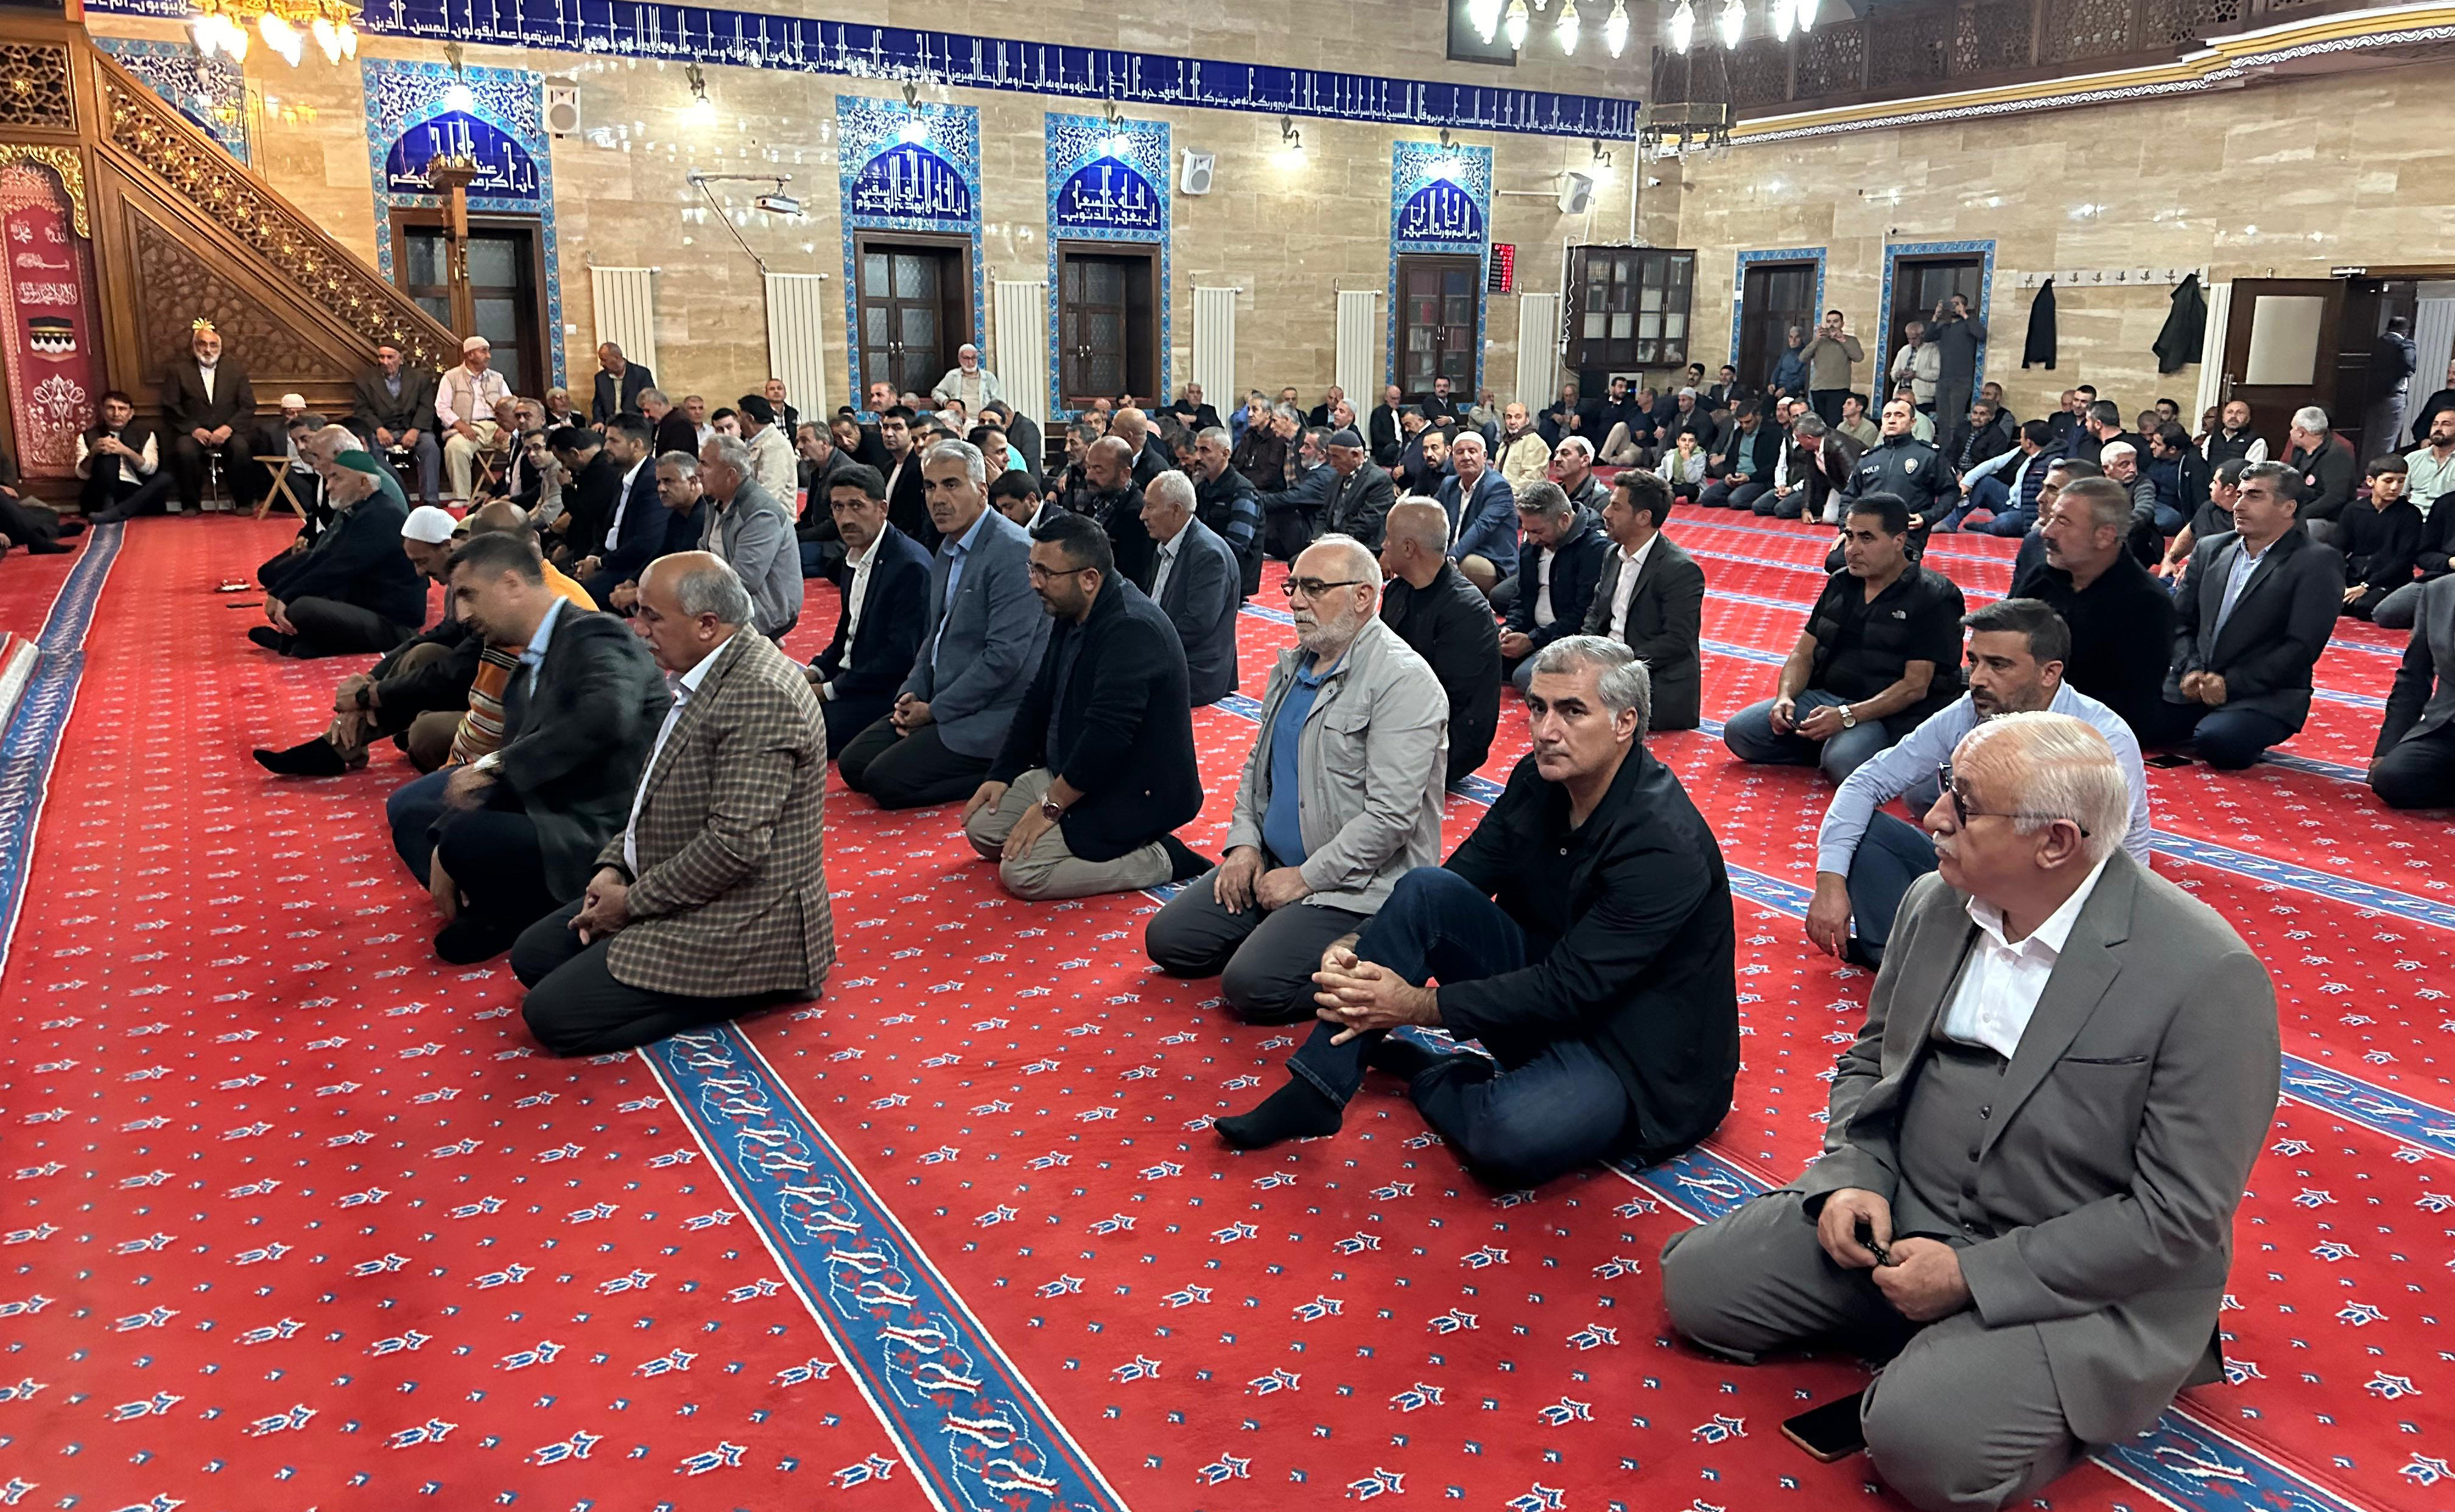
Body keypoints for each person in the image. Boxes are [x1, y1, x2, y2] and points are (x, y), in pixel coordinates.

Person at [1665, 710, 2278, 1512]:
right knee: (1702, 1287)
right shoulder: (1936, 901)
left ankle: (1991, 1362)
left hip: (2077, 1276)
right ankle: (1937, 1334)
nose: (1932, 817)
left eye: (1966, 805)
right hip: (1908, 1210)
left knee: (1921, 1442)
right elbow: (1871, 1061)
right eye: (1945, 789)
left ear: (2055, 842)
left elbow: (2179, 1217)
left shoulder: (2206, 973)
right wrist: (1854, 1176)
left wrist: (1971, 1278)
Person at [1217, 634, 1738, 1182]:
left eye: (1571, 711)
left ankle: (1437, 1072)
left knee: (1506, 1134)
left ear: (1624, 722)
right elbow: (1459, 881)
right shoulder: (1538, 780)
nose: (1546, 730)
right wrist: (1356, 944)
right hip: (1544, 991)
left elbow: (1571, 987)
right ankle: (1317, 1088)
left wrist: (1415, 1007)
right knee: (1426, 889)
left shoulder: (1661, 845)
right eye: (1538, 707)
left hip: (1633, 1054)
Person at [510, 553, 831, 1055]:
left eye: (652, 616)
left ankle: (757, 986)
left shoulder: (760, 695)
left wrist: (631, 903)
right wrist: (614, 866)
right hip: (678, 880)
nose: (639, 630)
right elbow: (653, 792)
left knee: (552, 1017)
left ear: (707, 625)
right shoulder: (706, 669)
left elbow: (734, 847)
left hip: (744, 918)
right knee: (534, 956)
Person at [1145, 536, 1447, 1023]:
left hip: (1355, 885)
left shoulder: (1403, 681)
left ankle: (1381, 945)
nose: (1296, 601)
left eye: (1314, 588)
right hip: (1275, 860)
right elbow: (1257, 769)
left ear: (1363, 596)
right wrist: (1244, 845)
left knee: (1251, 987)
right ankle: (1285, 932)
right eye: (1293, 587)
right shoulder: (1294, 665)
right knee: (1170, 942)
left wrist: (1305, 879)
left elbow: (1390, 820)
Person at [1806, 598, 2152, 970]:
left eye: (1998, 665)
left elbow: (2090, 860)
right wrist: (1830, 881)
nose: (1977, 679)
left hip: (2064, 891)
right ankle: (1900, 957)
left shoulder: (2102, 739)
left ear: (2049, 673)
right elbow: (1866, 782)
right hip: (1990, 868)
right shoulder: (1971, 710)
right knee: (1866, 830)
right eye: (1974, 662)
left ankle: (1961, 962)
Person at [385, 531, 669, 962]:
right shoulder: (526, 665)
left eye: (468, 595)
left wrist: (489, 771)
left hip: (604, 822)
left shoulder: (596, 633)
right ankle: (505, 908)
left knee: (463, 836)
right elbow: (525, 765)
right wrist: (448, 828)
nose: (462, 614)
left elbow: (605, 719)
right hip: (556, 802)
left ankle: (529, 909)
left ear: (512, 584)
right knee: (416, 817)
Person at [949, 511, 1207, 901]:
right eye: (1032, 568)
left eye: (1045, 573)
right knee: (983, 831)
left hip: (1133, 790)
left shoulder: (1131, 628)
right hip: (1077, 769)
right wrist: (1001, 773)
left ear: (1089, 578)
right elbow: (1038, 697)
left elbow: (1108, 737)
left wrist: (1050, 808)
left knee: (1022, 873)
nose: (1034, 582)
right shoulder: (1073, 610)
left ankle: (1163, 858)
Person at [837, 440, 1049, 808]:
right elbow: (934, 636)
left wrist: (934, 712)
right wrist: (913, 692)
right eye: (930, 487)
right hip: (944, 696)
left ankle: (1013, 771)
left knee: (884, 782)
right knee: (853, 765)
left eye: (951, 485)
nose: (937, 498)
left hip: (994, 711)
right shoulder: (948, 547)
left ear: (981, 491)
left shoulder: (1013, 551)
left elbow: (1004, 660)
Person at [1726, 493, 1965, 783]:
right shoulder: (1841, 583)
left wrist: (1847, 716)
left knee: (1843, 762)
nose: (1852, 549)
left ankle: (1845, 747)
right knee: (1741, 734)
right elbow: (1803, 653)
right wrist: (1785, 698)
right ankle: (1828, 743)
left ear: (1899, 540)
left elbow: (1914, 687)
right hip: (1827, 697)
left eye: (1867, 538)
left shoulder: (1934, 596)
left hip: (1887, 712)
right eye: (1850, 536)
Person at [2154, 460, 2345, 768]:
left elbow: (2301, 647)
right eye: (2240, 495)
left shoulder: (2316, 562)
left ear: (2288, 507)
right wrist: (2191, 669)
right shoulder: (2210, 549)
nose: (2238, 505)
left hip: (2265, 694)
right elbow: (2181, 622)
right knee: (2131, 719)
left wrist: (2231, 685)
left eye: (2254, 496)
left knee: (2219, 743)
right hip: (2196, 685)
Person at [2002, 477, 2179, 741]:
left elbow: (2129, 705)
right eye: (2051, 519)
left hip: (2086, 731)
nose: (2047, 532)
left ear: (2104, 536)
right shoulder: (2042, 578)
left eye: (2063, 522)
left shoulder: (2146, 603)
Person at [806, 463, 932, 757]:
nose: (846, 518)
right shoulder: (852, 558)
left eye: (856, 506)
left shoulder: (909, 566)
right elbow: (846, 632)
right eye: (838, 507)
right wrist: (815, 671)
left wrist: (829, 690)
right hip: (852, 679)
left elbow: (900, 657)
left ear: (882, 509)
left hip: (884, 692)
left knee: (796, 726)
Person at [251, 451, 426, 658]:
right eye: (329, 478)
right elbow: (323, 557)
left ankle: (296, 643)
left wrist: (287, 596)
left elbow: (338, 568)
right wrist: (280, 592)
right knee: (297, 585)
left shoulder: (381, 516)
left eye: (337, 478)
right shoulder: (361, 510)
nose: (329, 486)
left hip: (394, 625)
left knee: (301, 607)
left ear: (363, 483)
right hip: (365, 604)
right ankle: (304, 644)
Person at [1377, 499, 1501, 785]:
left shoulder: (1465, 609)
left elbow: (1448, 700)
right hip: (1404, 712)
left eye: (1389, 538)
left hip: (1448, 738)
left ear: (1409, 548)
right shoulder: (1399, 590)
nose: (1383, 545)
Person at [1141, 471, 1240, 706]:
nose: (1143, 515)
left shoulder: (1208, 555)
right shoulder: (1166, 544)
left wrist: (1145, 646)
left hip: (1196, 670)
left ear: (1176, 510)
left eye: (1150, 507)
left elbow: (1197, 625)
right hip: (1169, 653)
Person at [1500, 480, 1610, 691]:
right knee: (1479, 650)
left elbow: (1583, 615)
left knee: (1525, 678)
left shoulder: (1594, 549)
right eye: (1528, 531)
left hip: (1568, 638)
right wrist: (1511, 627)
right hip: (1534, 630)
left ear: (1564, 520)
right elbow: (1522, 596)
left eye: (1538, 532)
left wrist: (1533, 641)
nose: (1532, 540)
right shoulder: (1533, 543)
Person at [694, 435, 799, 640]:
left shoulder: (761, 513)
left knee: (686, 632)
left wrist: (693, 596)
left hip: (764, 607)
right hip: (726, 597)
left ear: (730, 475)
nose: (697, 471)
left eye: (705, 464)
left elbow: (743, 581)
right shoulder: (715, 501)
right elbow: (703, 554)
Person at [572, 417, 678, 608]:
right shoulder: (624, 475)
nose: (606, 447)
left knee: (577, 598)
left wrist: (599, 563)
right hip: (612, 561)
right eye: (607, 440)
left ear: (636, 445)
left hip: (632, 568)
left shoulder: (652, 480)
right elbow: (608, 528)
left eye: (614, 441)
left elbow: (646, 544)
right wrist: (591, 558)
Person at [2372, 569, 2455, 808]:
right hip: (2447, 723)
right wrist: (2386, 748)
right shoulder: (2439, 591)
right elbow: (2414, 678)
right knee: (2393, 779)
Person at [160, 319, 256, 513]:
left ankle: (244, 503)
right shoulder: (178, 371)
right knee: (184, 450)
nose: (208, 350)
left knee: (240, 448)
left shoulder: (235, 370)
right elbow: (170, 406)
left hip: (229, 430)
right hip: (194, 431)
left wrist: (228, 428)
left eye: (213, 345)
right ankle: (191, 505)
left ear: (220, 348)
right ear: (194, 346)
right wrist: (194, 429)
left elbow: (248, 405)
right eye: (203, 344)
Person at [350, 341, 441, 505]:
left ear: (401, 359)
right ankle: (392, 495)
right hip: (381, 429)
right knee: (369, 448)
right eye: (381, 357)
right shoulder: (365, 380)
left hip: (412, 428)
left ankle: (430, 501)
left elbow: (426, 407)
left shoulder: (419, 378)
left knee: (430, 446)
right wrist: (379, 429)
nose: (385, 362)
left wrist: (415, 429)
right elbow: (362, 410)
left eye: (390, 357)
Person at [1937, 419, 2058, 536]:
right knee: (1984, 482)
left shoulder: (2054, 463)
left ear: (2029, 442)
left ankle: (1986, 527)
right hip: (2011, 503)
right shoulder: (2022, 451)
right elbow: (1994, 463)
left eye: (2021, 438)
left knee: (2004, 521)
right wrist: (1967, 482)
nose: (2020, 440)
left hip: (2029, 514)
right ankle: (1949, 523)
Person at [2339, 455, 2422, 620]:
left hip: (2389, 581)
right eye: (2388, 481)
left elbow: (2403, 559)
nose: (2395, 487)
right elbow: (2338, 549)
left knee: (2364, 607)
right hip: (2355, 576)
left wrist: (2367, 586)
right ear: (2371, 481)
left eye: (2401, 481)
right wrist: (2340, 583)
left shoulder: (2410, 514)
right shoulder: (2353, 510)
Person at [1436, 432, 1517, 597]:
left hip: (1491, 561)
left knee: (1467, 564)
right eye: (1460, 452)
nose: (1466, 457)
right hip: (1454, 553)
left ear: (1484, 456)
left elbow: (1482, 527)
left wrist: (1450, 558)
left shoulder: (1498, 486)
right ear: (1453, 457)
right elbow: (1431, 517)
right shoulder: (1449, 485)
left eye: (1472, 451)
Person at [1186, 425, 1264, 594]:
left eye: (1205, 450)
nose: (1198, 457)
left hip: (1232, 577)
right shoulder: (1202, 488)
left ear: (1225, 454)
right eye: (1197, 450)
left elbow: (1236, 547)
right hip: (1207, 565)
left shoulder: (1243, 491)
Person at [76, 390, 170, 524]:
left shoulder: (146, 434)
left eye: (122, 409)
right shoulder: (88, 436)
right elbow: (82, 474)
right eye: (111, 408)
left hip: (133, 491)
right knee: (108, 457)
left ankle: (114, 513)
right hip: (101, 493)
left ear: (131, 413)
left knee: (165, 478)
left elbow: (150, 470)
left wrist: (126, 451)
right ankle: (112, 509)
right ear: (102, 410)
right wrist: (93, 453)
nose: (116, 414)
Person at [2283, 405, 2355, 545]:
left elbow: (2335, 498)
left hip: (2328, 519)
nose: (2291, 432)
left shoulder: (2336, 455)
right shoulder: (2299, 451)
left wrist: (2299, 514)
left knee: (2303, 530)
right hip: (2300, 508)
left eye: (2293, 428)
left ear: (2302, 433)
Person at [1321, 426, 1397, 555]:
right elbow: (1324, 514)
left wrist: (1331, 544)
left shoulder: (1379, 480)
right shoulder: (1337, 477)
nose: (1332, 464)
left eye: (1336, 457)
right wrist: (1317, 540)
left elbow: (1365, 525)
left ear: (1355, 455)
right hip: (1334, 541)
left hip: (1362, 547)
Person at [1696, 401, 1779, 511]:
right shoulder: (1739, 433)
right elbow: (1731, 458)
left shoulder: (1772, 433)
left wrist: (1750, 478)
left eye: (1748, 422)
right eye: (1741, 423)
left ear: (1758, 416)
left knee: (1736, 500)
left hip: (1758, 480)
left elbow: (1773, 465)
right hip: (1736, 477)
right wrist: (1729, 474)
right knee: (1707, 498)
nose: (1744, 426)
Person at [1926, 293, 1986, 427]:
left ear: (1964, 306)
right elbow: (1928, 337)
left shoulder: (1967, 325)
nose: (1953, 307)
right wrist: (1936, 316)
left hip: (1962, 380)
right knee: (1942, 419)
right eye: (1951, 304)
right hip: (1943, 379)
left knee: (1956, 419)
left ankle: (1957, 442)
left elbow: (1981, 334)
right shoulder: (1945, 327)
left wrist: (1964, 314)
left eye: (1957, 304)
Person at [1802, 309, 1864, 427]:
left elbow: (1858, 357)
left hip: (1839, 390)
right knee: (1821, 426)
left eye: (1835, 321)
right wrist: (1816, 340)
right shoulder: (1819, 341)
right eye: (1829, 322)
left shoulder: (1851, 340)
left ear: (1842, 324)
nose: (1831, 325)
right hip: (1818, 389)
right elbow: (1802, 357)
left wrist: (1842, 340)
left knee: (1834, 425)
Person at [1493, 402, 1551, 488]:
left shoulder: (1535, 442)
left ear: (1527, 420)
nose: (1512, 422)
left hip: (1523, 495)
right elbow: (1495, 474)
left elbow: (1530, 480)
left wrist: (1506, 494)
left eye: (1518, 417)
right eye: (1509, 417)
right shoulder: (1504, 444)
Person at [932, 343, 1002, 411]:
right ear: (960, 359)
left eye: (973, 358)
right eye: (966, 358)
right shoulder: (952, 376)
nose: (970, 362)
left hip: (984, 417)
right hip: (959, 417)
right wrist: (946, 402)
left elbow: (998, 401)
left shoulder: (989, 377)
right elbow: (936, 392)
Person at [2202, 397, 2267, 468]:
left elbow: (2252, 472)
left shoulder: (2257, 442)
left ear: (2248, 418)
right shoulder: (2211, 439)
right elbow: (2202, 467)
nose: (2233, 416)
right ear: (2223, 418)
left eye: (2239, 413)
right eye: (2230, 412)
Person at [1772, 324, 1810, 399]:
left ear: (1802, 339)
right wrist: (1772, 383)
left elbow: (1802, 378)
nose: (1793, 341)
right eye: (1791, 337)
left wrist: (1785, 389)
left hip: (1793, 390)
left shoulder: (1805, 354)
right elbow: (1778, 369)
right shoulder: (1786, 353)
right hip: (1778, 387)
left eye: (1797, 337)